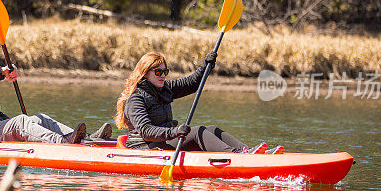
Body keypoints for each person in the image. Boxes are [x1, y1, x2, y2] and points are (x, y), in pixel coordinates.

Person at [0, 42, 111, 144]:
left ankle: (86, 139)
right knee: (21, 121)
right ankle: (62, 143)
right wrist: (0, 72)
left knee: (39, 118)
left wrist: (27, 125)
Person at [115, 52, 283, 154]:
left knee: (211, 129)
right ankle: (236, 156)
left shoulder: (164, 88)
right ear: (144, 73)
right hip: (145, 148)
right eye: (158, 71)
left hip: (162, 142)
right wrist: (175, 132)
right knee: (197, 132)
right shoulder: (135, 99)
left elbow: (192, 83)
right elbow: (146, 132)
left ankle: (245, 151)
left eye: (164, 71)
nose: (162, 75)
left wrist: (207, 65)